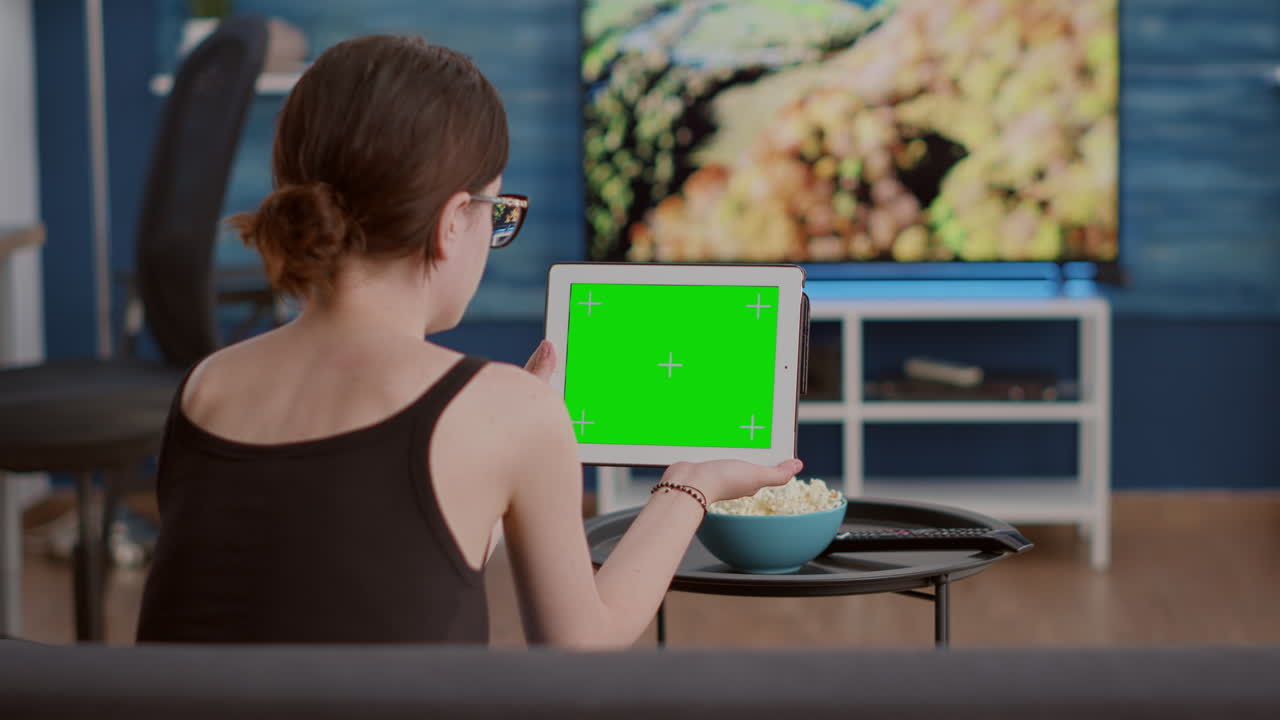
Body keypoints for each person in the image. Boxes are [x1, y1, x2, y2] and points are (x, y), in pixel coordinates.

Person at [135, 35, 801, 649]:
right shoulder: (506, 413)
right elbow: (581, 645)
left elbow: (359, 569)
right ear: (455, 222)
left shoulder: (207, 385)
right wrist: (689, 485)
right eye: (496, 212)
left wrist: (507, 436)